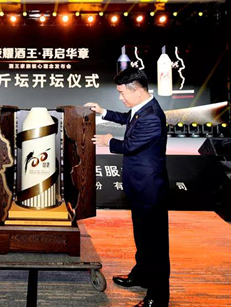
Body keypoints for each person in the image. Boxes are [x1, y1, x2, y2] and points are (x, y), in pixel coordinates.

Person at [86, 67, 170, 307]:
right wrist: (103, 112)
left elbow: (130, 145)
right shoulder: (142, 108)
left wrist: (109, 141)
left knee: (155, 245)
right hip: (140, 187)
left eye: (122, 93)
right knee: (142, 236)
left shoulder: (152, 116)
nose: (120, 97)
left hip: (150, 190)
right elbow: (127, 118)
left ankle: (157, 297)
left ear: (138, 90)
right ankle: (141, 275)